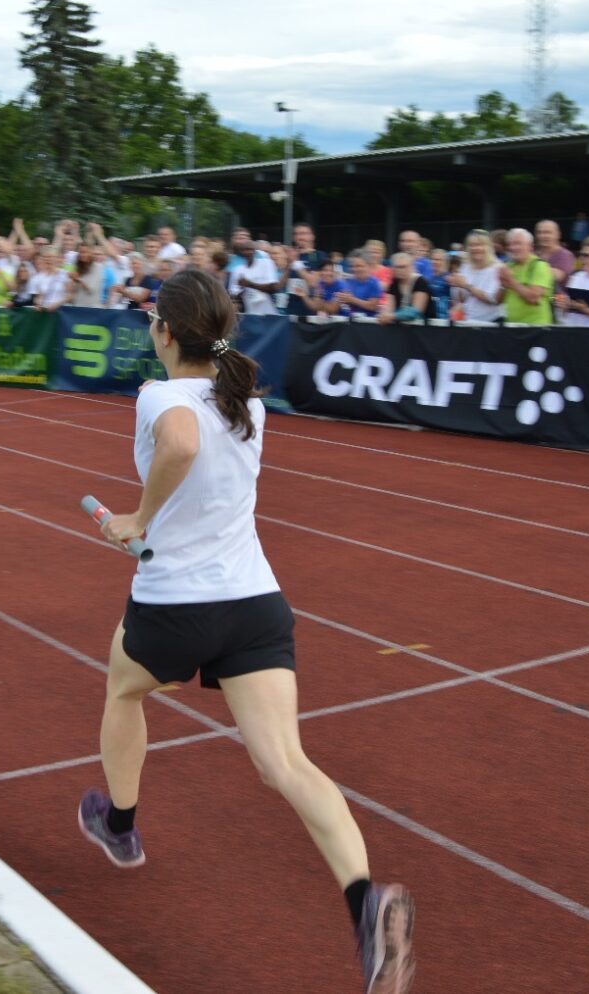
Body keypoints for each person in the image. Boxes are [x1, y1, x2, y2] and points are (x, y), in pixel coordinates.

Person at [79, 268, 415, 994]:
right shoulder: (246, 403)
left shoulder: (160, 395)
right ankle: (364, 901)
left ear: (166, 332)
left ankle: (122, 825)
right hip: (255, 603)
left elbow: (178, 443)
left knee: (124, 690)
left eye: (151, 322)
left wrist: (134, 519)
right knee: (285, 763)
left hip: (174, 602)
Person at [496, 228, 554, 325]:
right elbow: (498, 301)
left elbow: (532, 298)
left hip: (535, 327)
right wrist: (502, 285)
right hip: (511, 325)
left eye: (518, 243)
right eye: (510, 244)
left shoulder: (539, 266)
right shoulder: (508, 266)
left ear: (530, 246)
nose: (513, 247)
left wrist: (510, 280)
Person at [446, 229, 504, 324]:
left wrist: (466, 286)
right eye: (472, 245)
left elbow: (492, 299)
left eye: (480, 245)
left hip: (491, 323)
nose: (475, 248)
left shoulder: (497, 268)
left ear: (488, 247)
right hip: (469, 322)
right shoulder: (465, 267)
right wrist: (457, 285)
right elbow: (464, 300)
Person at [379, 253, 430, 324]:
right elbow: (389, 308)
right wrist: (385, 314)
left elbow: (416, 312)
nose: (400, 270)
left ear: (412, 267)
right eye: (397, 267)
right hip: (401, 327)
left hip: (423, 328)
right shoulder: (394, 283)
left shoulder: (420, 282)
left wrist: (391, 316)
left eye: (403, 267)